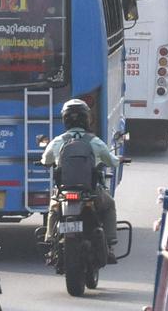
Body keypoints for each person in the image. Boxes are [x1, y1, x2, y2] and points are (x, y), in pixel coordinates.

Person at [41, 99, 120, 254]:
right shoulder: (94, 141)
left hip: (64, 193)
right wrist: (119, 159)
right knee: (109, 204)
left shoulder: (58, 141)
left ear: (65, 119)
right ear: (86, 118)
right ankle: (110, 241)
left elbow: (46, 160)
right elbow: (112, 161)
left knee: (53, 207)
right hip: (90, 193)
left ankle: (50, 237)